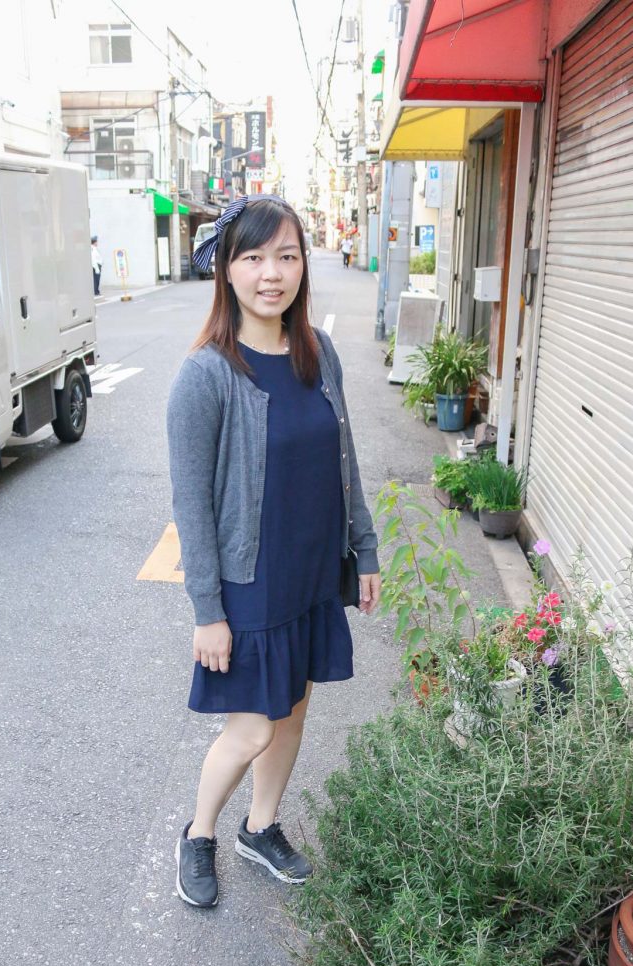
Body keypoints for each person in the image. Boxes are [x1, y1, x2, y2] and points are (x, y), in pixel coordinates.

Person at [166, 195, 381, 909]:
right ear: (226, 270)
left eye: (286, 256)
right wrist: (207, 612)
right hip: (251, 579)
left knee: (292, 712)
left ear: (302, 266)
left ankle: (260, 827)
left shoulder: (318, 353)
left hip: (312, 568)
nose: (271, 274)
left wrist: (364, 550)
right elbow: (191, 505)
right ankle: (199, 833)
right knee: (253, 725)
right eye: (254, 257)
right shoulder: (206, 375)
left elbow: (345, 457)